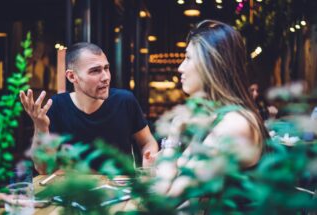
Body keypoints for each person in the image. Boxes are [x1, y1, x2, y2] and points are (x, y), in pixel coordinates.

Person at [155, 20, 268, 197]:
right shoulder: (217, 117)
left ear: (212, 64)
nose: (180, 68)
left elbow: (164, 199)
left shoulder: (235, 124)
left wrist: (173, 135)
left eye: (188, 58)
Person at [20, 42, 158, 174]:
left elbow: (147, 142)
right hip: (74, 191)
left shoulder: (125, 101)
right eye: (95, 71)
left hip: (120, 189)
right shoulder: (57, 105)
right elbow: (43, 168)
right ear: (72, 76)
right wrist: (40, 127)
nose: (105, 77)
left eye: (106, 68)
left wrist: (149, 159)